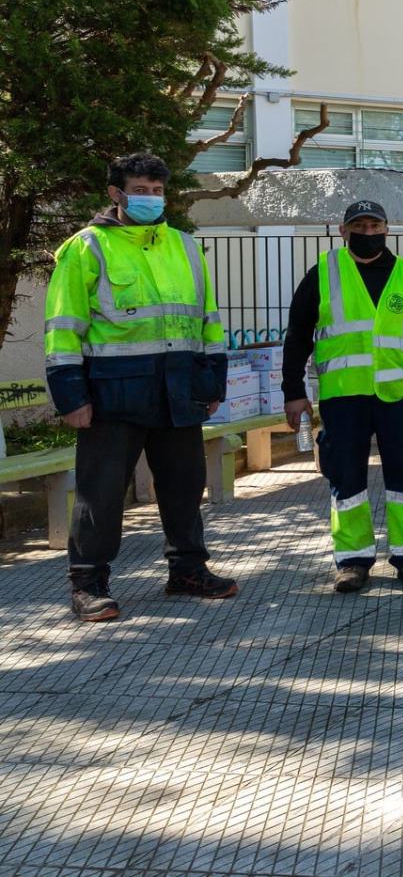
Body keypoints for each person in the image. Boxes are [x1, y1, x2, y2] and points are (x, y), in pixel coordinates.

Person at [43, 152, 238, 621]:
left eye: (157, 190)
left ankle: (187, 571)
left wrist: (211, 381)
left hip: (179, 389)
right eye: (140, 190)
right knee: (102, 493)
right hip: (112, 394)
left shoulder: (185, 246)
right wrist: (71, 396)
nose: (151, 198)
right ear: (115, 194)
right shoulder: (85, 248)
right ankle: (88, 583)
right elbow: (63, 326)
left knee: (184, 487)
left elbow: (208, 319)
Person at [281, 201, 403, 593]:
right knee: (345, 476)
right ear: (343, 230)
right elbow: (298, 335)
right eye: (359, 225)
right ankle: (352, 561)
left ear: (387, 229)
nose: (367, 232)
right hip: (343, 396)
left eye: (374, 225)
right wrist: (293, 391)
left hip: (401, 396)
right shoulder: (323, 273)